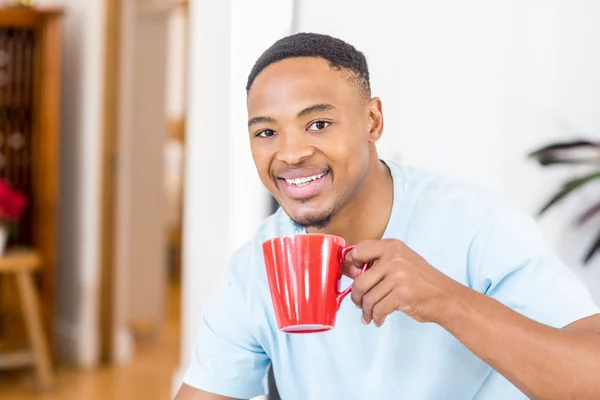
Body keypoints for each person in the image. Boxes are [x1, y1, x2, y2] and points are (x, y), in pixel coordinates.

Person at [175, 33, 600, 400]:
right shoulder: (256, 265)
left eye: (319, 123)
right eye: (266, 132)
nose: (290, 153)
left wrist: (448, 302)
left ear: (372, 120)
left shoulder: (478, 226)